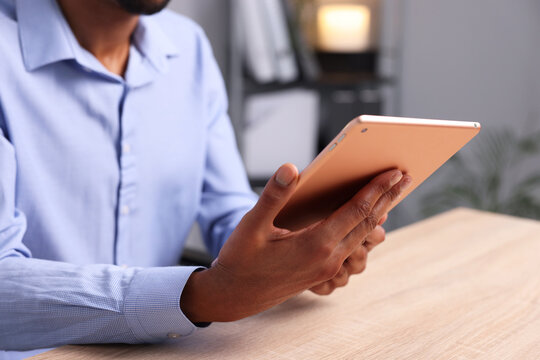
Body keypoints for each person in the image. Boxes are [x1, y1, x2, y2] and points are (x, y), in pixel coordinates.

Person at [0, 0, 412, 358]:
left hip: (164, 350)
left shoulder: (188, 46)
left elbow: (226, 207)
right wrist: (201, 296)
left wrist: (293, 250)